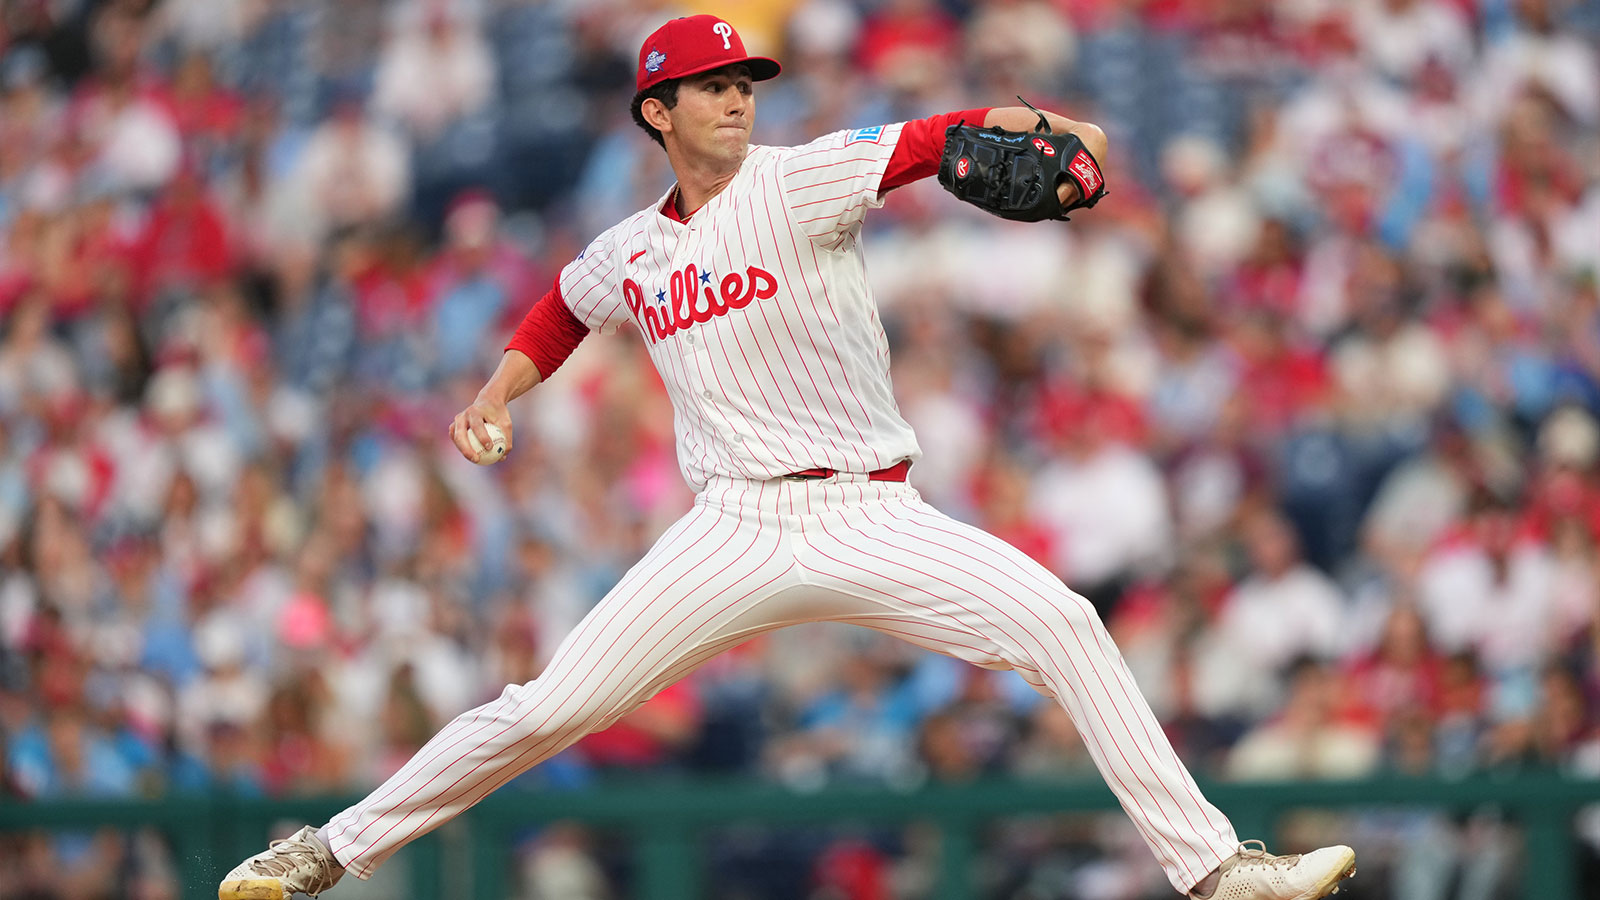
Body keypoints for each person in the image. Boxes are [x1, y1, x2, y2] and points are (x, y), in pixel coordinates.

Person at [218, 16, 1356, 900]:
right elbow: (559, 311)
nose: (734, 100)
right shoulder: (632, 248)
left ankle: (1217, 872)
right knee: (546, 706)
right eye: (711, 87)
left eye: (742, 84)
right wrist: (494, 392)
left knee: (1064, 621)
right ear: (655, 110)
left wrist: (1068, 141)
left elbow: (936, 139)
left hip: (872, 508)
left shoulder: (799, 178)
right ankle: (326, 853)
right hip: (731, 528)